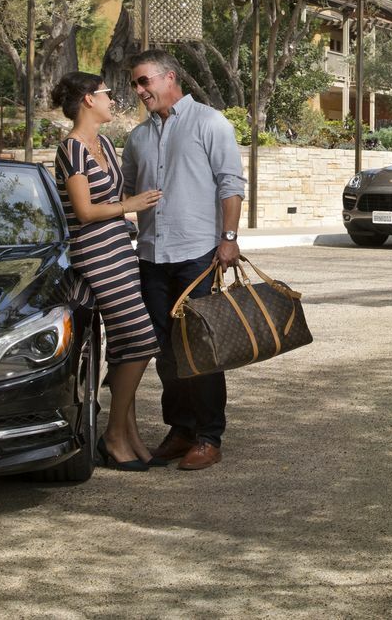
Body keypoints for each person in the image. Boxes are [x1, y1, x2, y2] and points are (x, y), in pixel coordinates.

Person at [117, 47, 245, 471]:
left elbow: (230, 184)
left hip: (198, 256)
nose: (138, 90)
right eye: (135, 83)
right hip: (151, 257)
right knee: (165, 351)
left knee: (200, 348)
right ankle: (181, 428)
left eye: (143, 81)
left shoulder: (210, 122)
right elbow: (128, 194)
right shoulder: (137, 138)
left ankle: (209, 436)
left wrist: (228, 239)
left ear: (169, 78)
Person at [50, 71, 164, 470]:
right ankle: (113, 434)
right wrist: (128, 206)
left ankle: (129, 437)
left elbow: (112, 198)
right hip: (94, 251)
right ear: (86, 100)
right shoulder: (72, 149)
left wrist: (124, 214)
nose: (112, 100)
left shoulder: (107, 145)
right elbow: (83, 212)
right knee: (143, 339)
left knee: (123, 344)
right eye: (105, 94)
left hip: (118, 246)